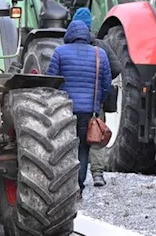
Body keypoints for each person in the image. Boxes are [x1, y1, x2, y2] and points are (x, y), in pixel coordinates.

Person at [46, 15, 112, 193]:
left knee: (64, 149)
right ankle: (79, 187)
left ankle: (61, 187)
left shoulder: (60, 52)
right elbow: (106, 84)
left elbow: (51, 81)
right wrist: (97, 103)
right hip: (89, 111)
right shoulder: (100, 53)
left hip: (64, 110)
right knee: (83, 147)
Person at [70, 7, 119, 187]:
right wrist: (100, 88)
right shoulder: (101, 46)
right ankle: (97, 173)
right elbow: (116, 69)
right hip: (96, 101)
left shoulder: (65, 47)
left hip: (71, 102)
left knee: (74, 139)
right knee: (95, 134)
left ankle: (73, 176)